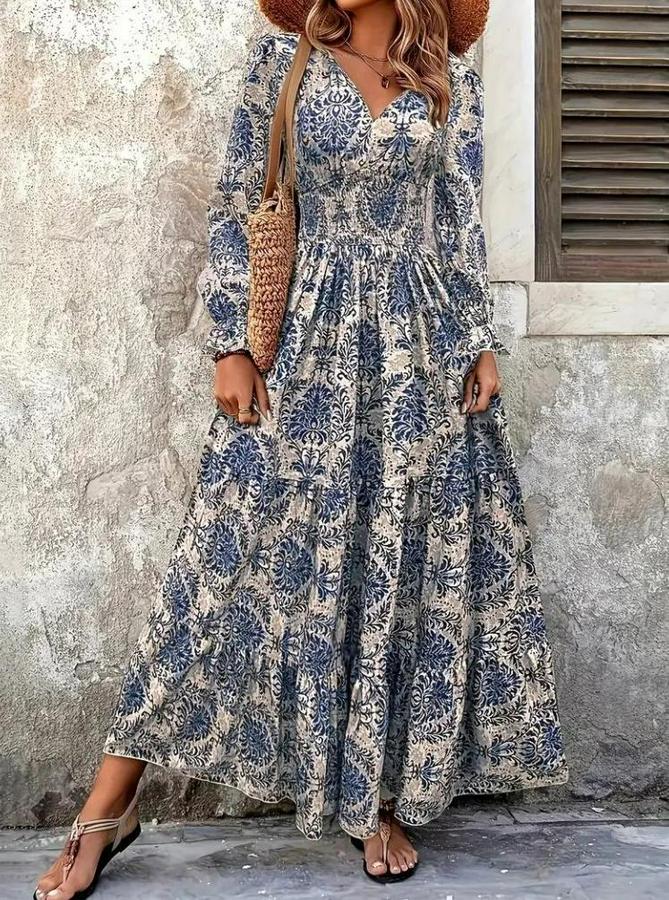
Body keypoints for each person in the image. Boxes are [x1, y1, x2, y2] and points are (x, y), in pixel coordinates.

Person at [33, 1, 568, 896]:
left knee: (395, 565)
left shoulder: (450, 82)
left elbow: (457, 221)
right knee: (219, 561)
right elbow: (236, 204)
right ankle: (107, 807)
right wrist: (231, 344)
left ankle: (375, 797)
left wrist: (478, 340)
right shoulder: (278, 68)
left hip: (418, 349)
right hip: (303, 339)